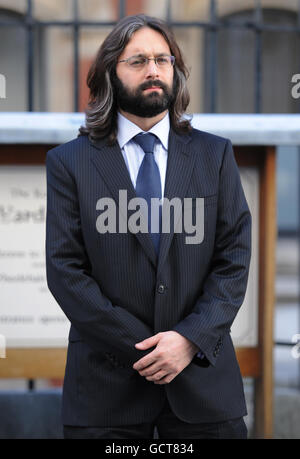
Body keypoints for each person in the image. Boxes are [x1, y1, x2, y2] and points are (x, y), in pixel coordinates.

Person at [45, 14, 251, 439]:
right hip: (105, 392)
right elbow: (65, 271)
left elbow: (234, 258)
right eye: (137, 61)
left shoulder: (214, 156)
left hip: (203, 389)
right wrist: (146, 348)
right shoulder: (69, 163)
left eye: (163, 59)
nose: (154, 70)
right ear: (110, 74)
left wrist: (188, 341)